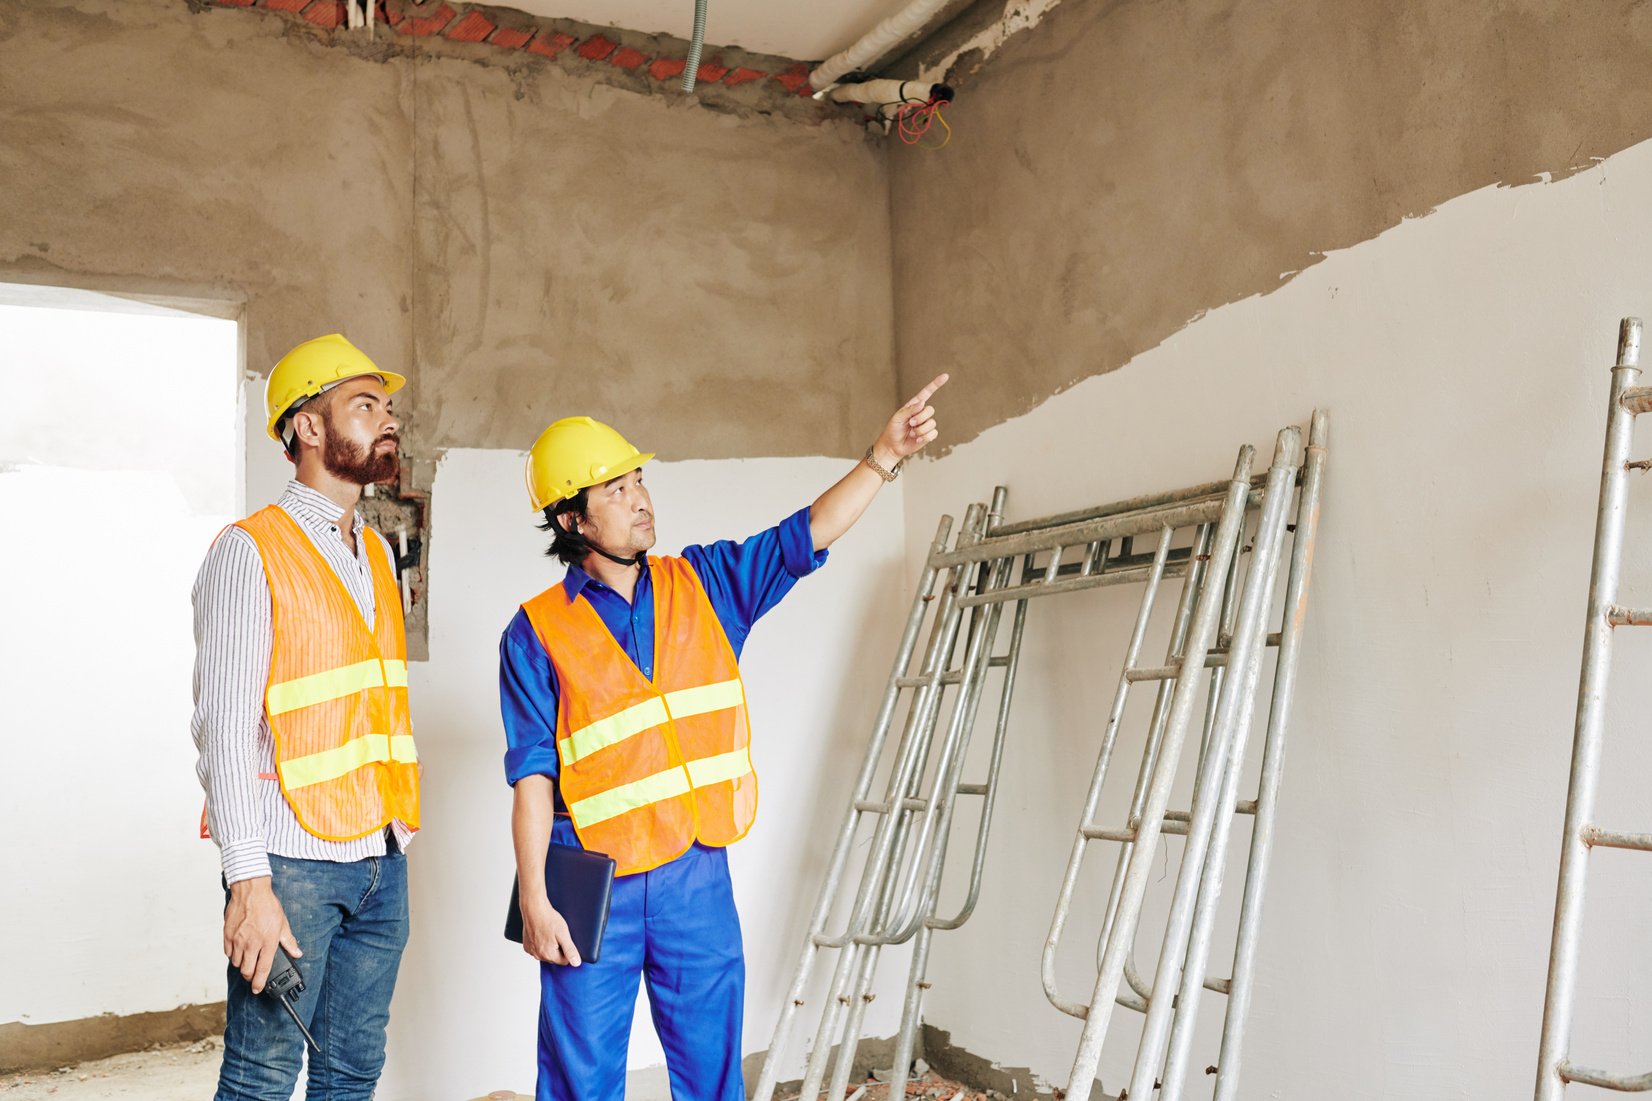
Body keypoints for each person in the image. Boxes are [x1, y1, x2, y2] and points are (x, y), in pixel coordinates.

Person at [498, 374, 948, 1101]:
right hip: (591, 884)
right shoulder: (534, 632)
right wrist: (536, 898)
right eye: (615, 489)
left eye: (639, 479)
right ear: (572, 520)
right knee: (580, 1082)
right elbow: (531, 778)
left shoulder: (705, 584)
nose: (642, 498)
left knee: (712, 1079)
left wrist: (883, 457)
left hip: (693, 876)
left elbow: (804, 535)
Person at [192, 333, 420, 1101]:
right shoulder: (248, 552)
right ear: (310, 427)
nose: (387, 419)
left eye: (387, 406)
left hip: (382, 859)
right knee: (261, 1078)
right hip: (290, 863)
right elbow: (222, 730)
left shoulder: (379, 554)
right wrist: (248, 882)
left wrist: (397, 844)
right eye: (364, 405)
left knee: (352, 1073)